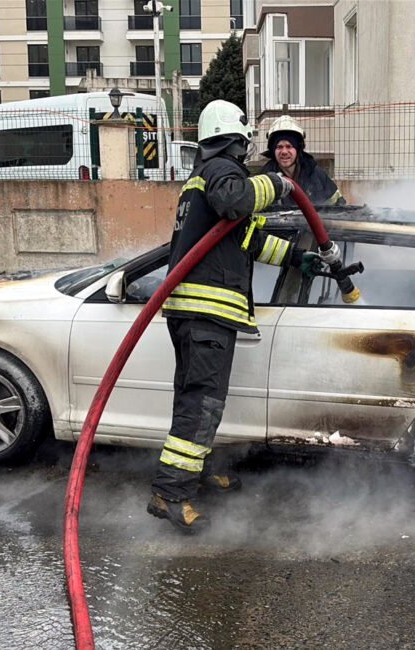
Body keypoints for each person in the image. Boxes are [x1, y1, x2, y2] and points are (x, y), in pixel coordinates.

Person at [147, 100, 324, 534]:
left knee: (196, 400)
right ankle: (170, 495)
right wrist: (280, 184)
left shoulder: (199, 180)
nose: (248, 152)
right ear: (235, 138)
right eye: (245, 143)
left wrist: (299, 259)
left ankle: (194, 471)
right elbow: (237, 200)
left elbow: (245, 238)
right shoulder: (222, 172)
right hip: (206, 313)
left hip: (194, 312)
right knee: (201, 403)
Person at [260, 115, 346, 208]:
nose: (284, 152)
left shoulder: (314, 173)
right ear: (273, 150)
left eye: (289, 146)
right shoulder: (265, 177)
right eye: (279, 147)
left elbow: (338, 204)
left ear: (298, 149)